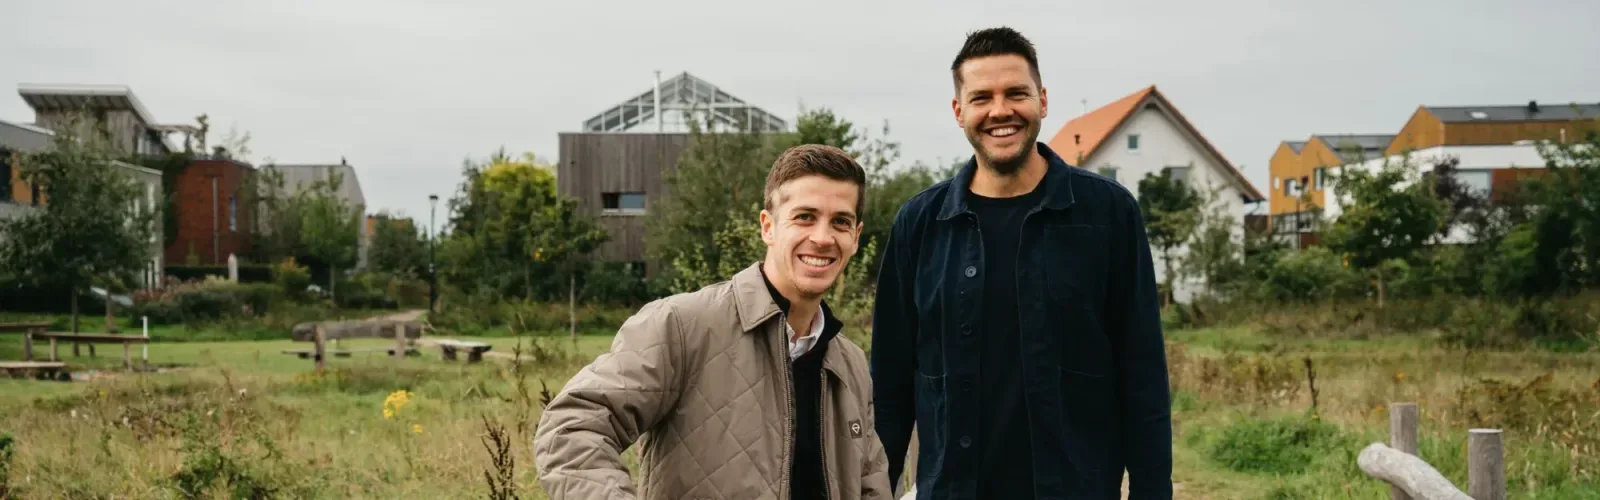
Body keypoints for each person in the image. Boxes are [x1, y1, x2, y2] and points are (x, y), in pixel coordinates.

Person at [870, 27, 1173, 499]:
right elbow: (889, 384)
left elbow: (1143, 373)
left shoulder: (1108, 215)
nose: (1000, 111)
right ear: (959, 111)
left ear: (1043, 100)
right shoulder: (920, 223)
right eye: (981, 98)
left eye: (1016, 93)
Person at [534, 144, 894, 500]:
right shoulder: (682, 326)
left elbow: (870, 483)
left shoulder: (850, 364)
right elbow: (570, 428)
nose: (822, 238)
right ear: (768, 227)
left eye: (840, 222)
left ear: (856, 237)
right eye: (804, 217)